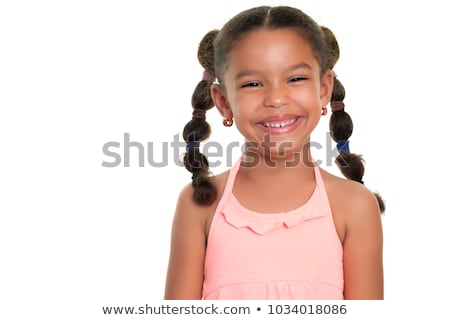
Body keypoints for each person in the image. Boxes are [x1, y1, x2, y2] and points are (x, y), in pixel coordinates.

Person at [164, 5, 385, 300]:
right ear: (223, 102)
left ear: (323, 90)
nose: (277, 99)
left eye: (295, 79)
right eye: (252, 84)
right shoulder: (199, 205)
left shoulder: (355, 207)